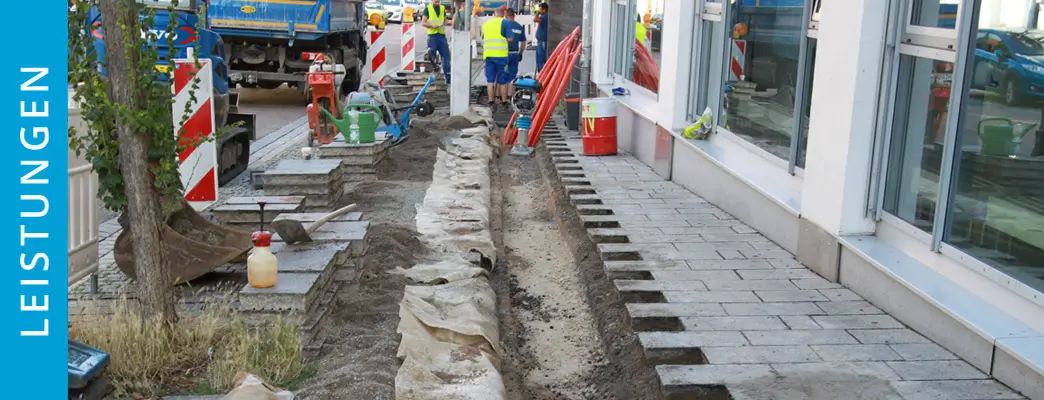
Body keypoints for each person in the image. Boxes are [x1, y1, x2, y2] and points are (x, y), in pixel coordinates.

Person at [481, 8, 511, 106]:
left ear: (494, 14)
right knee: (502, 80)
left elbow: (483, 37)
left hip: (488, 55)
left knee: (490, 80)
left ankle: (491, 100)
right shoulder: (505, 23)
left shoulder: (486, 24)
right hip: (501, 55)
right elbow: (510, 39)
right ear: (503, 14)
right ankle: (504, 101)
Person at [421, 0, 452, 84]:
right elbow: (423, 22)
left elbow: (444, 20)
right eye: (436, 1)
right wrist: (431, 25)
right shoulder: (428, 9)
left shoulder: (442, 8)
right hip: (432, 36)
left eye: (438, 1)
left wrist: (448, 22)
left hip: (441, 36)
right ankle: (435, 66)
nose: (437, 3)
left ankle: (448, 79)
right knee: (431, 52)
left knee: (446, 58)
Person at [504, 8, 526, 97]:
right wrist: (520, 53)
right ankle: (510, 95)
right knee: (512, 75)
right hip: (515, 53)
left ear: (506, 16)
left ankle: (503, 97)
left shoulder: (504, 26)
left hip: (504, 53)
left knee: (504, 75)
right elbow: (523, 42)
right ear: (514, 16)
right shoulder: (519, 27)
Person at [534, 2, 548, 73]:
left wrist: (537, 13)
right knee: (539, 59)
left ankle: (542, 73)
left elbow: (535, 19)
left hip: (542, 41)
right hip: (540, 41)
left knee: (541, 59)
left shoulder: (544, 17)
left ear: (544, 10)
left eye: (540, 9)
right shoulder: (545, 17)